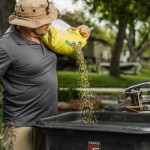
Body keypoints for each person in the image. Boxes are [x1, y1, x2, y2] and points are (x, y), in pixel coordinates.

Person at [0, 0, 91, 149]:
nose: (50, 23)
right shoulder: (6, 46)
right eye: (44, 21)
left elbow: (73, 40)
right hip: (21, 127)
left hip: (49, 123)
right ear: (28, 23)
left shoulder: (49, 36)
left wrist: (82, 31)